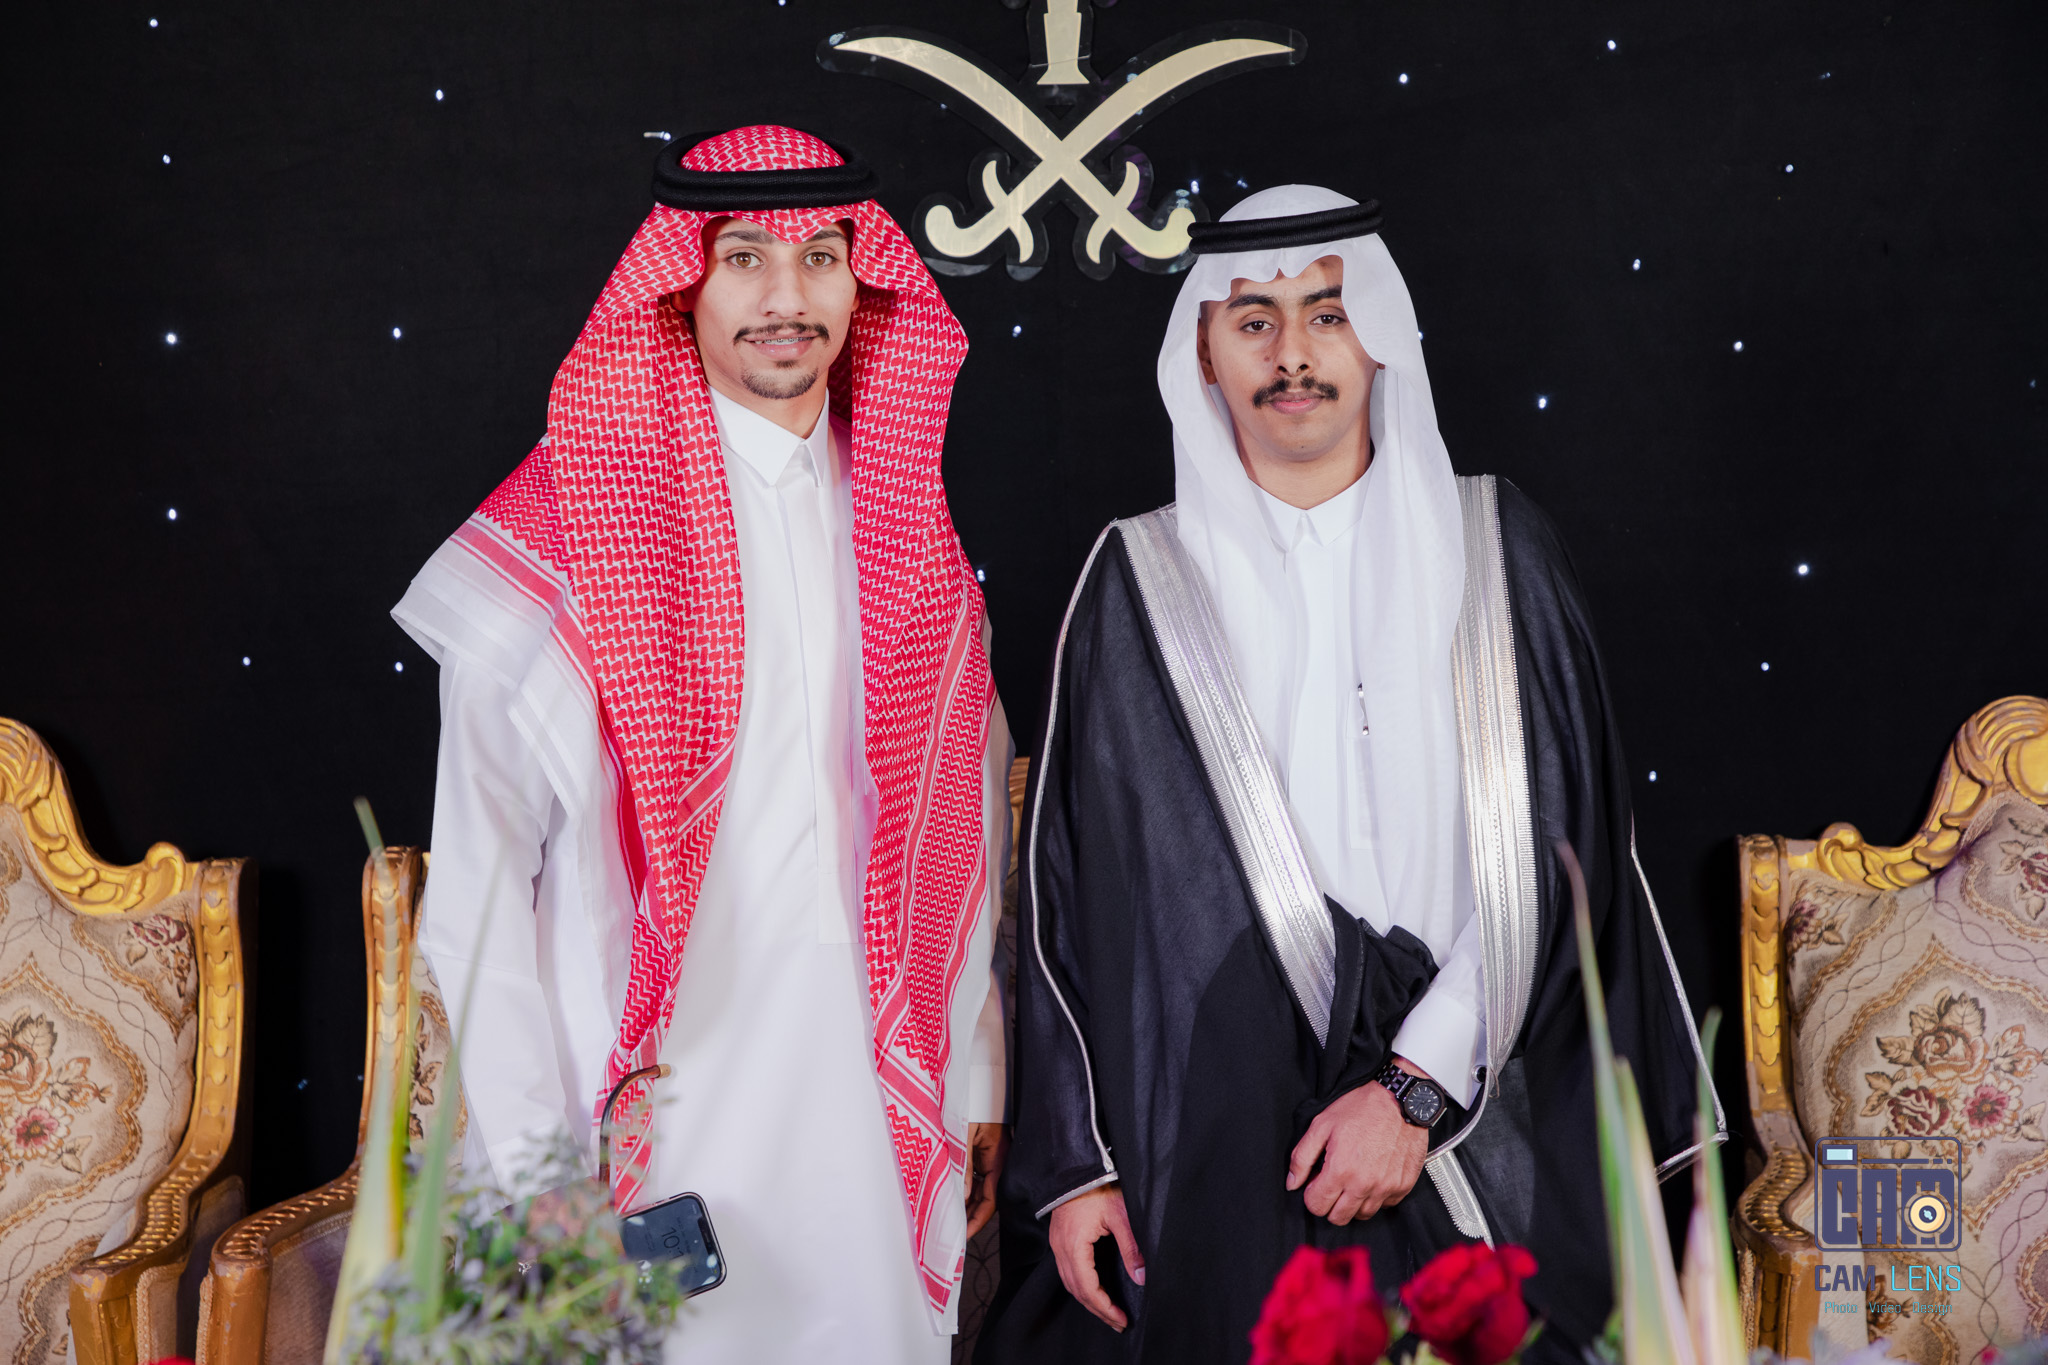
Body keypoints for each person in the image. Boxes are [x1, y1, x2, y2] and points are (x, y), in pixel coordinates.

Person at [980, 186, 1721, 1364]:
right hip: (1228, 1147)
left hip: (1483, 1105)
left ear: (1377, 338)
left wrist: (1413, 1089)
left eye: (1326, 314)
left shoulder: (1497, 547)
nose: (1292, 355)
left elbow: (1565, 847)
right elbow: (1064, 895)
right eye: (1253, 322)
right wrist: (1078, 1168)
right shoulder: (1138, 581)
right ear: (1203, 355)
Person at [392, 126, 1011, 1363]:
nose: (787, 296)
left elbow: (964, 832)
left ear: (861, 282)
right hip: (651, 1121)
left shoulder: (908, 530)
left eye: (821, 256)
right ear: (681, 283)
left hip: (866, 1105)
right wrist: (544, 1187)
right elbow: (475, 900)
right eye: (744, 258)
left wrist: (975, 1083)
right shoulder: (563, 539)